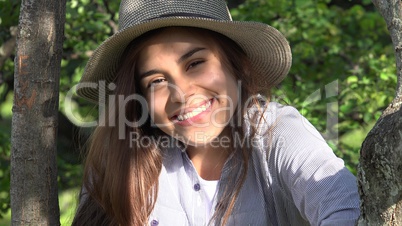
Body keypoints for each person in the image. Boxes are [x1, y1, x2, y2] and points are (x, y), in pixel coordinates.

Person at [72, 0, 360, 225]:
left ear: (238, 64)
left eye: (195, 63)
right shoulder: (122, 158)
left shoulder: (278, 133)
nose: (181, 94)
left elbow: (347, 211)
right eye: (156, 81)